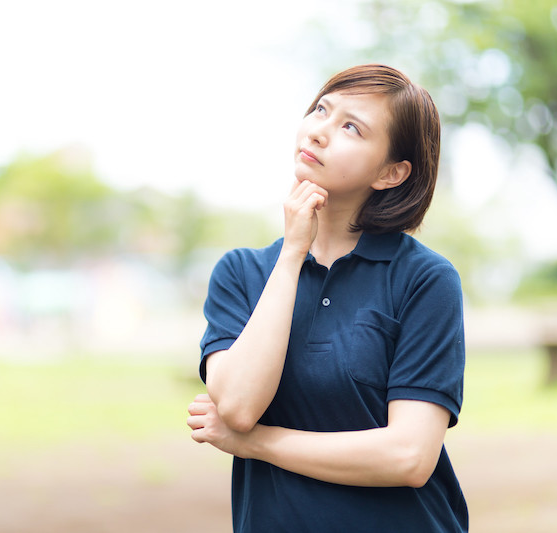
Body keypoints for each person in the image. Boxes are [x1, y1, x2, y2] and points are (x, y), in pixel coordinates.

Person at [187, 64, 468, 532]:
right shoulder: (242, 273)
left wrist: (255, 443)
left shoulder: (424, 279)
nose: (319, 132)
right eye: (321, 109)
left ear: (391, 172)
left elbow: (409, 456)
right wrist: (293, 252)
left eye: (351, 127)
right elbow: (236, 405)